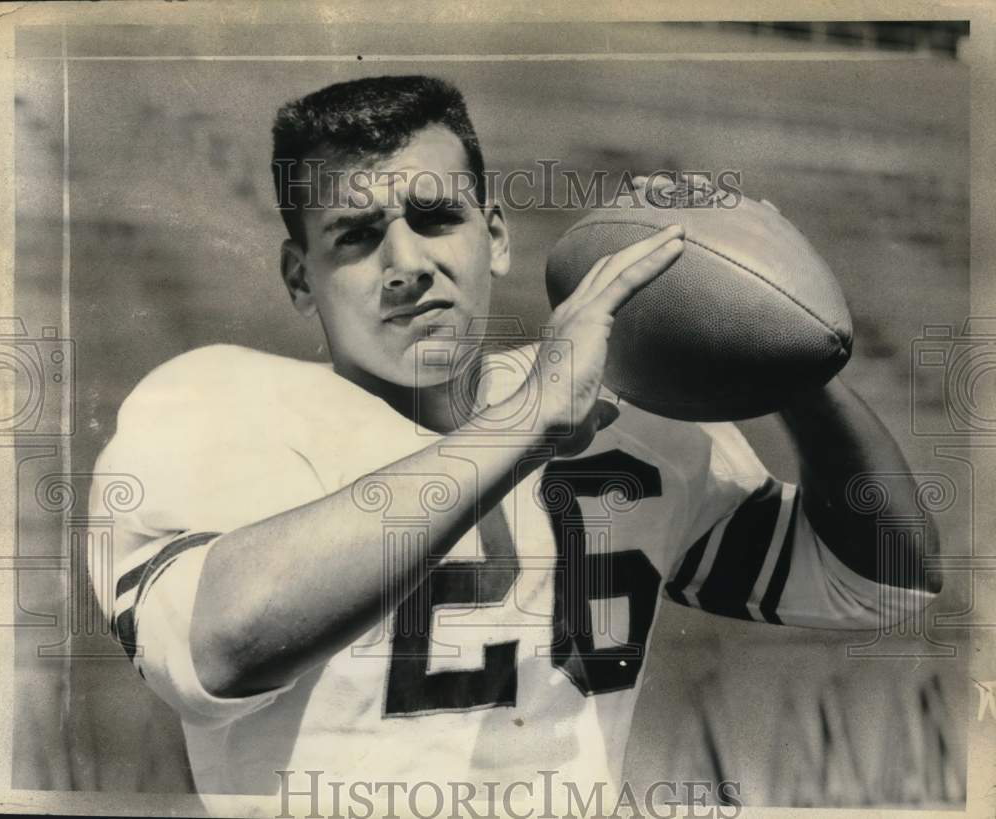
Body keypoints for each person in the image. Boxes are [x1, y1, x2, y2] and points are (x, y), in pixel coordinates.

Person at [89, 75, 940, 817]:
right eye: (356, 235)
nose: (405, 262)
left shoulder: (615, 418)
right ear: (298, 277)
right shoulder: (216, 402)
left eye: (436, 217)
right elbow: (216, 651)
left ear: (494, 236)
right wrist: (524, 426)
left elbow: (881, 582)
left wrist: (790, 345)